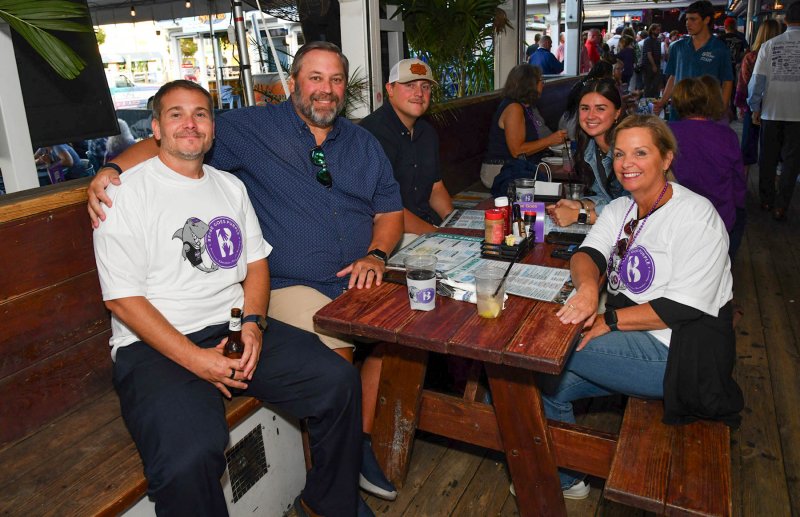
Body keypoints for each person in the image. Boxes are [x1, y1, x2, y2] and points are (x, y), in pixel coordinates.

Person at [87, 41, 404, 511]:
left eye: (335, 79)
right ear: (155, 127)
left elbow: (256, 263)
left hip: (237, 323)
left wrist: (252, 324)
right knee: (189, 458)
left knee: (343, 380)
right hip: (159, 343)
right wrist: (110, 167)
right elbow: (121, 300)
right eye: (175, 115)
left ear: (214, 127)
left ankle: (329, 502)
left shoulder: (230, 186)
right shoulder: (123, 195)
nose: (190, 124)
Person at [540, 114, 742, 498]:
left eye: (640, 152)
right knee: (546, 382)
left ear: (666, 159)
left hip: (679, 353)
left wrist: (608, 319)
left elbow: (682, 307)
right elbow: (587, 254)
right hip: (634, 336)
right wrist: (586, 290)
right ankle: (568, 479)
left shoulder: (696, 216)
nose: (626, 163)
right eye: (619, 154)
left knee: (547, 345)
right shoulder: (621, 209)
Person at [359, 58, 454, 246]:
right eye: (410, 85)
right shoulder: (371, 135)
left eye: (425, 86)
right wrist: (437, 235)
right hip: (386, 234)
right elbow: (384, 209)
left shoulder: (427, 132)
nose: (419, 93)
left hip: (424, 226)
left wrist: (453, 224)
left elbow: (435, 187)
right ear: (390, 89)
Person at [669, 76, 746, 259]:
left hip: (678, 217)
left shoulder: (667, 132)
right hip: (720, 218)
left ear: (677, 103)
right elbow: (738, 182)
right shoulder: (727, 135)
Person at [549, 78, 628, 227]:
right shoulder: (590, 148)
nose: (591, 116)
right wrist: (579, 204)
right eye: (585, 108)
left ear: (617, 113)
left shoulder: (629, 150)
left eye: (600, 108)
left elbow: (635, 209)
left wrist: (579, 215)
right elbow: (607, 198)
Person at [748, 2, 800, 222]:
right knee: (792, 162)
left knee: (767, 159)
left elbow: (758, 80)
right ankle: (782, 206)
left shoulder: (769, 45)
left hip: (771, 109)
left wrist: (755, 106)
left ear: (785, 20)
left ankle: (766, 199)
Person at [479, 64, 567, 189]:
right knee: (554, 188)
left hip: (515, 167)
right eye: (541, 81)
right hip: (500, 171)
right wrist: (550, 140)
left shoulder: (526, 106)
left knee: (554, 184)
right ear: (530, 85)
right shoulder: (514, 108)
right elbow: (517, 151)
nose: (543, 84)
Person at [654, 1, 733, 119]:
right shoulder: (677, 47)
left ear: (706, 20)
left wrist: (722, 109)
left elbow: (727, 81)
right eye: (686, 19)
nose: (687, 23)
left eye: (693, 19)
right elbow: (673, 77)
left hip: (707, 112)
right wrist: (663, 101)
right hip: (679, 111)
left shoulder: (720, 49)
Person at [734, 20, 781, 178]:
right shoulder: (780, 56)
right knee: (772, 149)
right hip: (775, 107)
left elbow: (744, 83)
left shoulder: (751, 56)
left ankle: (744, 185)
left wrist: (742, 105)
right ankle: (770, 185)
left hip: (753, 106)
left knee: (748, 147)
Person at [719, 17, 749, 118]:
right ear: (735, 26)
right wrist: (739, 60)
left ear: (725, 26)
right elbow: (747, 51)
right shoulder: (740, 37)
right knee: (734, 90)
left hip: (722, 68)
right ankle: (732, 112)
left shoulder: (721, 38)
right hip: (736, 68)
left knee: (721, 88)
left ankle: (721, 111)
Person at [641, 24, 662, 98]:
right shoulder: (648, 40)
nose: (658, 32)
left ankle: (655, 99)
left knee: (656, 84)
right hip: (648, 65)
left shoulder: (658, 40)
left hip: (657, 64)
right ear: (652, 30)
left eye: (659, 30)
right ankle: (647, 100)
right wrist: (653, 65)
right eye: (657, 30)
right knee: (648, 84)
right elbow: (649, 54)